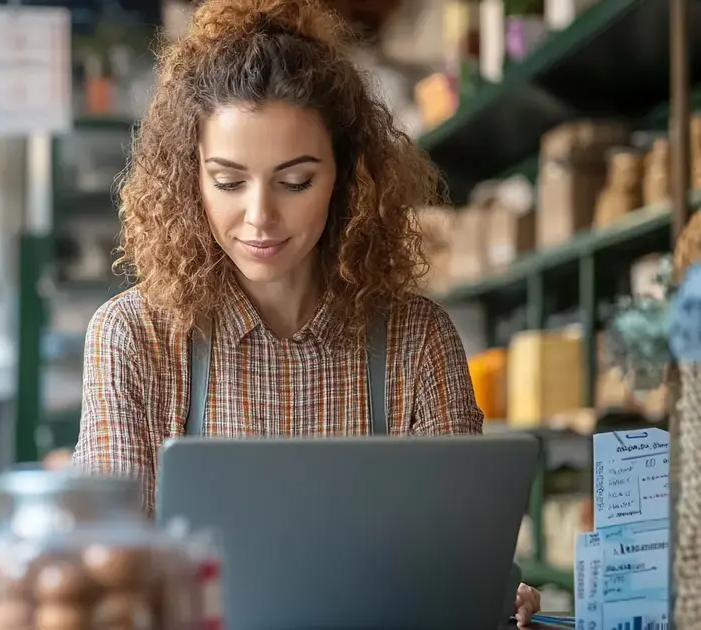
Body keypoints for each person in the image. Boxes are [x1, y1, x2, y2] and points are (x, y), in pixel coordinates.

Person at [72, 0, 542, 623]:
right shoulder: (132, 338)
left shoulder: (417, 341)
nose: (260, 217)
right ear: (191, 179)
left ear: (348, 180)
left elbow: (449, 569)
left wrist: (484, 592)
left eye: (295, 182)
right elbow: (115, 582)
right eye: (229, 181)